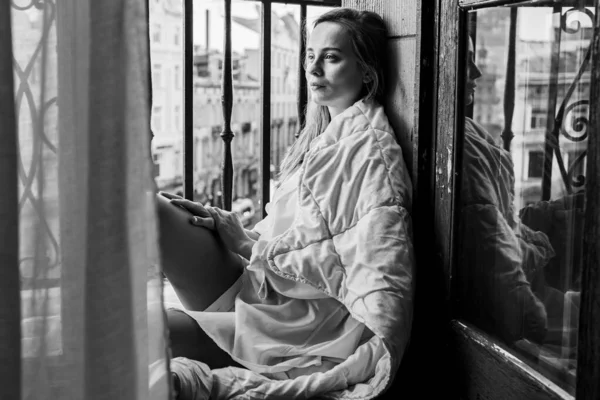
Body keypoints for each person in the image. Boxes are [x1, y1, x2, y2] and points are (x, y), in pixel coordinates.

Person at [158, 8, 415, 400]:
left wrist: (245, 245)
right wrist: (238, 232)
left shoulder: (370, 149)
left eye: (331, 57)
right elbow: (306, 232)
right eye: (311, 56)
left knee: (146, 332)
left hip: (299, 320)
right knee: (157, 210)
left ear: (366, 71)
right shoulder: (323, 135)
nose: (314, 69)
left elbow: (360, 265)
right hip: (263, 279)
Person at [455, 37, 555, 345]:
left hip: (522, 272)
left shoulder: (467, 130)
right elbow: (494, 248)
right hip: (505, 312)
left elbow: (497, 224)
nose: (476, 71)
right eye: (464, 58)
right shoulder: (464, 146)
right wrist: (536, 324)